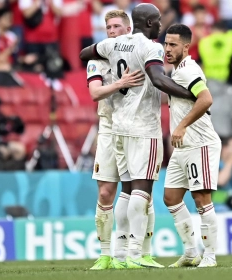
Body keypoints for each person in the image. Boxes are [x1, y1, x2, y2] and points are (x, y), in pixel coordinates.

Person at [80, 3, 195, 268]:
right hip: (143, 127)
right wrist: (189, 94)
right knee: (142, 191)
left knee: (128, 191)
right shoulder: (150, 47)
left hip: (119, 127)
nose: (160, 26)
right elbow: (156, 78)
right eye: (157, 21)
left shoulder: (112, 46)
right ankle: (134, 254)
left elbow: (85, 52)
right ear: (148, 23)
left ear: (130, 25)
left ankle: (121, 255)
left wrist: (105, 49)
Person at [86, 9, 146, 270]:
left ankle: (138, 252)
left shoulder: (139, 53)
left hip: (137, 128)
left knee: (140, 192)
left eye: (116, 27)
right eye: (108, 27)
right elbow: (95, 93)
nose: (111, 31)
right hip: (109, 127)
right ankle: (105, 254)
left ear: (128, 29)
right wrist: (120, 82)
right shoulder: (96, 60)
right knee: (105, 191)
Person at [162, 24, 221, 268]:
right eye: (166, 43)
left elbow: (206, 98)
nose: (167, 49)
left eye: (173, 44)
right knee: (171, 198)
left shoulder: (188, 70)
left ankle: (210, 255)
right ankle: (190, 252)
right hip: (183, 146)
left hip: (200, 143)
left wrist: (182, 125)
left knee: (201, 198)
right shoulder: (177, 71)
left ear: (186, 47)